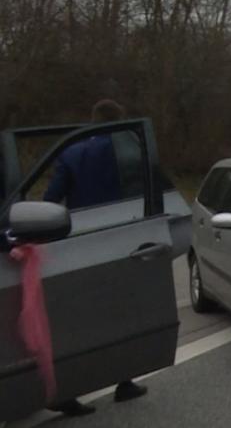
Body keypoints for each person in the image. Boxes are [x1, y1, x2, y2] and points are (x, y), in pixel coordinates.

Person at [42, 100, 147, 417]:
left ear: (93, 121)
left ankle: (67, 391)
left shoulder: (72, 151)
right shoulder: (132, 151)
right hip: (123, 238)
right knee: (119, 314)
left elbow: (50, 201)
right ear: (118, 122)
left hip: (80, 242)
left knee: (77, 319)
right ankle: (123, 381)